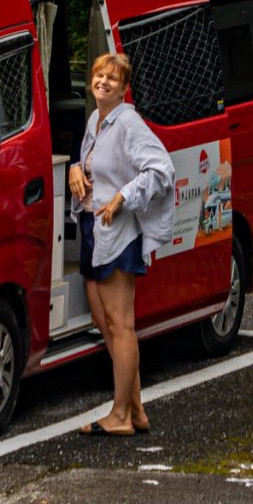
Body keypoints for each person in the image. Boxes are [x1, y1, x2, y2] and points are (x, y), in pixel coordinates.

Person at [67, 49, 175, 437]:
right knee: (102, 320)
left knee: (121, 324)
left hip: (118, 232)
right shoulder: (98, 119)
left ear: (125, 89)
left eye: (112, 78)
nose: (103, 82)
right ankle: (137, 408)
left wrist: (122, 198)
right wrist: (75, 169)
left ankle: (120, 415)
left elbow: (161, 169)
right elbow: (96, 164)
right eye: (99, 75)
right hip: (94, 227)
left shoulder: (129, 122)